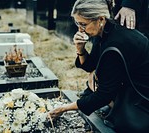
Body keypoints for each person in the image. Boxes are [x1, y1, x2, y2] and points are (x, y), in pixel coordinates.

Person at [48, 0, 149, 132]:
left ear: (100, 19)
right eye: (77, 23)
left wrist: (64, 108)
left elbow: (104, 94)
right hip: (130, 83)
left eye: (83, 24)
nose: (80, 29)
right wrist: (80, 49)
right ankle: (113, 105)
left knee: (98, 89)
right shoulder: (105, 31)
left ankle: (117, 107)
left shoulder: (114, 43)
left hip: (142, 96)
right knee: (93, 83)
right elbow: (90, 66)